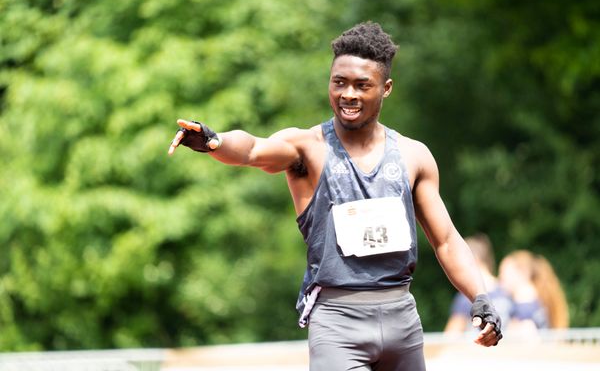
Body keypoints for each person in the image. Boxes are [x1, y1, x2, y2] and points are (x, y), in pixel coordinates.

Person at [168, 21, 502, 370]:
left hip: (402, 319)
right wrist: (214, 141)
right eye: (339, 82)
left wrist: (479, 297)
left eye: (362, 85)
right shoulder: (307, 148)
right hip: (338, 322)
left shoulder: (413, 155)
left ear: (386, 88)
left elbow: (446, 240)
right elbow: (252, 149)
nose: (348, 94)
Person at [444, 233, 512, 335]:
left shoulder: (467, 297)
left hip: (477, 349)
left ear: (471, 260)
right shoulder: (508, 291)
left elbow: (450, 336)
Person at [498, 250, 569, 335]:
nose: (500, 277)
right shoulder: (540, 301)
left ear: (523, 273)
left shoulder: (525, 306)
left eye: (504, 272)